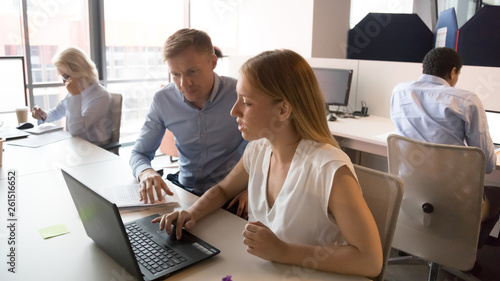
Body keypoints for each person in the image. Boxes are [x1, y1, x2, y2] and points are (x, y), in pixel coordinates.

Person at [152, 49, 383, 277]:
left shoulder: (329, 169)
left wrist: (283, 251)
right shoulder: (259, 149)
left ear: (283, 110)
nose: (234, 111)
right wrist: (190, 213)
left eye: (247, 103)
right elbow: (223, 190)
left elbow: (370, 261)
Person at [129, 28, 248, 213]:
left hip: (231, 197)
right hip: (184, 192)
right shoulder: (163, 100)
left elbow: (266, 151)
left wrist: (252, 187)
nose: (184, 84)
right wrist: (146, 172)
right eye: (175, 74)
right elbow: (139, 153)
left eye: (192, 72)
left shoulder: (240, 94)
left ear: (213, 62)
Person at [391, 47, 499, 245]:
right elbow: (487, 165)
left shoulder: (400, 91)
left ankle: (429, 244)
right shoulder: (466, 100)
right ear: (453, 72)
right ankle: (465, 254)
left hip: (410, 190)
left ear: (423, 68)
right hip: (453, 198)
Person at [31, 47, 112, 145]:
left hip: (93, 150)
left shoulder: (101, 96)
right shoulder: (78, 91)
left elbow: (76, 131)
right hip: (74, 145)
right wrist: (43, 116)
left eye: (65, 77)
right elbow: (57, 112)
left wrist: (75, 96)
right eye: (61, 77)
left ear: (79, 71)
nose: (64, 82)